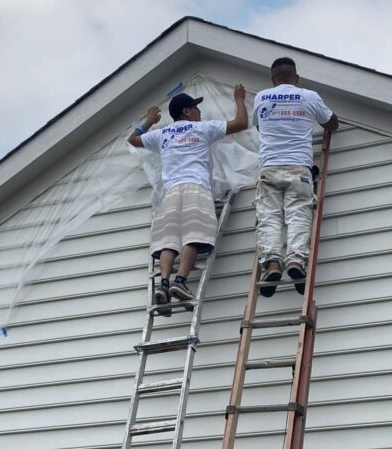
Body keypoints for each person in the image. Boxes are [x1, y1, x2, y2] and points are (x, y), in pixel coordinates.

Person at [128, 85, 248, 310]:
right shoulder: (202, 129)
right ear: (186, 112)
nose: (199, 112)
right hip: (196, 187)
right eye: (195, 108)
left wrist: (149, 121)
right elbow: (241, 123)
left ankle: (163, 284)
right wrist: (239, 99)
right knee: (194, 235)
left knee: (169, 241)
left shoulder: (162, 135)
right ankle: (180, 281)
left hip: (171, 192)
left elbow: (133, 140)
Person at [253, 57, 338, 296]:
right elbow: (332, 123)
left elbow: (260, 126)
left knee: (269, 217)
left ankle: (271, 263)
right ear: (296, 78)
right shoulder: (308, 96)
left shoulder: (261, 97)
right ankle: (295, 261)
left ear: (273, 80)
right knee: (299, 214)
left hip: (269, 167)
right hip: (299, 167)